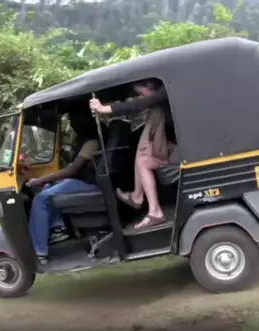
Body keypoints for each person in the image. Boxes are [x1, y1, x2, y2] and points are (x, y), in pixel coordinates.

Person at [89, 79, 178, 230]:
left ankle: (153, 210)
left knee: (144, 161)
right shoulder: (159, 105)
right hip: (179, 146)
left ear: (149, 87)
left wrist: (105, 108)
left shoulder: (164, 93)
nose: (140, 97)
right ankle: (138, 196)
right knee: (143, 156)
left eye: (140, 93)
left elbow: (140, 105)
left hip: (188, 151)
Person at [25, 111, 100, 264]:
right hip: (81, 181)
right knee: (46, 188)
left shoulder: (91, 141)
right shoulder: (83, 140)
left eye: (74, 121)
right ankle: (57, 228)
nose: (72, 125)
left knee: (41, 199)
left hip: (90, 184)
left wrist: (39, 180)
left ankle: (40, 251)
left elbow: (72, 169)